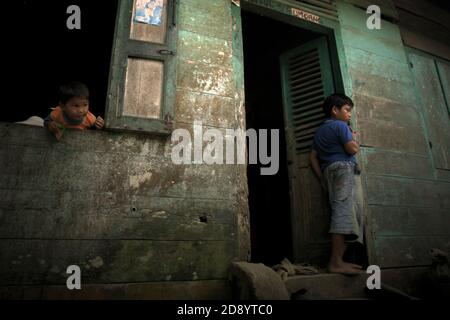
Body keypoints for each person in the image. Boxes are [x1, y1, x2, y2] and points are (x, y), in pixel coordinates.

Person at [309, 93, 363, 275]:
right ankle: (336, 262)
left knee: (340, 210)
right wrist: (354, 139)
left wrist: (322, 179)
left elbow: (312, 157)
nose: (349, 115)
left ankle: (340, 260)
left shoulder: (319, 132)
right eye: (347, 110)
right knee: (344, 211)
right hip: (344, 169)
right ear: (335, 110)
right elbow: (352, 148)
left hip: (329, 171)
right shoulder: (341, 126)